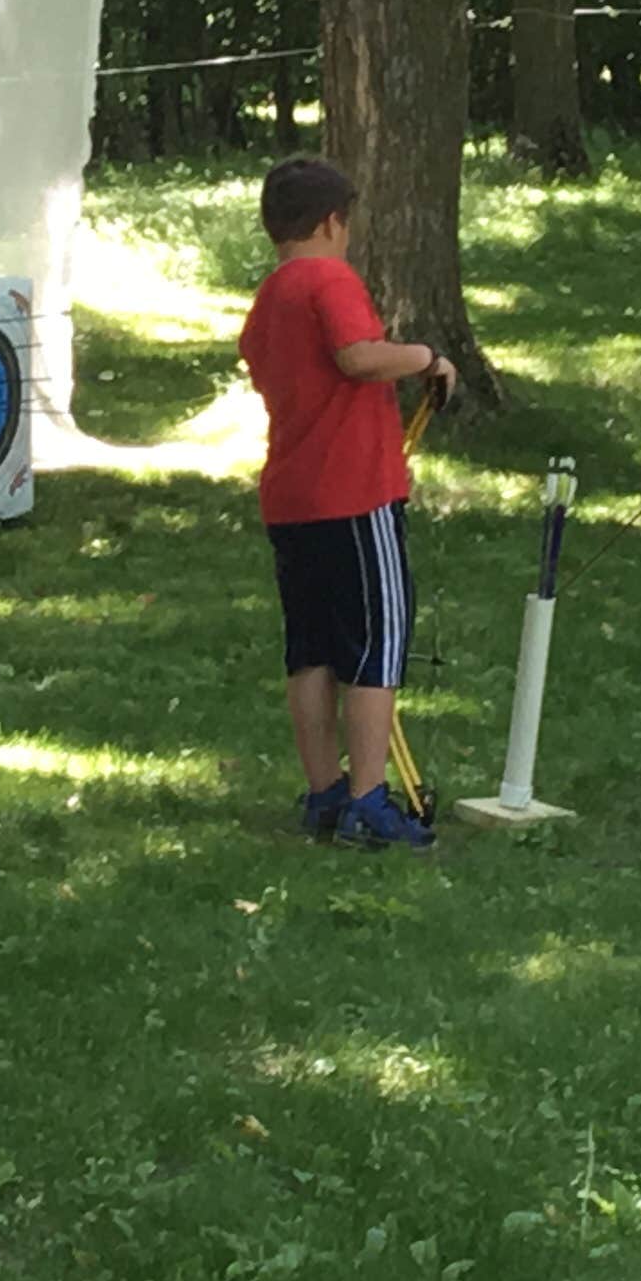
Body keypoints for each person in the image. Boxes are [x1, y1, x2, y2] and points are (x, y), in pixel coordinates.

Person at [240, 155, 457, 849]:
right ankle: (368, 797)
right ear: (334, 222)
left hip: (293, 496)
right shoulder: (327, 278)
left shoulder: (270, 294)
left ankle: (324, 791)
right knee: (376, 644)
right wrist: (425, 358)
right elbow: (358, 356)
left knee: (311, 651)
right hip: (354, 496)